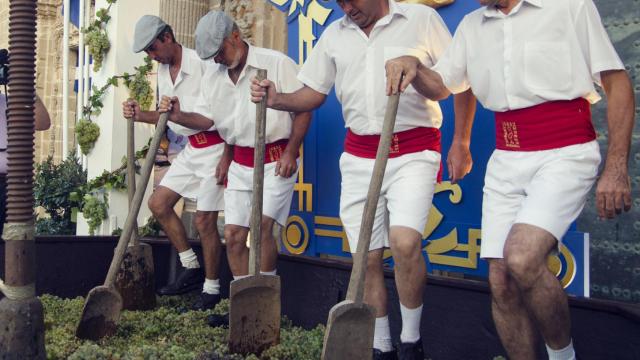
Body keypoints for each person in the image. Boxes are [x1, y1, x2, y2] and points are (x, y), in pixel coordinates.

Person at [384, 0, 635, 359]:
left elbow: (618, 83)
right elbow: (442, 85)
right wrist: (414, 65)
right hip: (506, 159)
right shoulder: (472, 25)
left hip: (566, 153)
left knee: (520, 257)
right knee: (501, 281)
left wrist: (616, 167)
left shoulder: (569, 6)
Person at [250, 0, 475, 358]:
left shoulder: (419, 19)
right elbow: (314, 92)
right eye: (338, 2)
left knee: (404, 242)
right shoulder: (335, 34)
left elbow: (455, 85)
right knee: (365, 257)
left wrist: (461, 141)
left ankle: (412, 342)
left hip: (414, 149)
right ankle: (382, 345)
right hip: (358, 155)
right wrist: (279, 99)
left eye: (351, 0)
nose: (346, 8)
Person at [159, 10, 311, 285]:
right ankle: (243, 298)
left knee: (263, 228)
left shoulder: (276, 63)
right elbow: (211, 121)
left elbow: (304, 108)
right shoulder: (214, 76)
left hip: (276, 159)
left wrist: (291, 151)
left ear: (236, 37)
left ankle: (264, 295)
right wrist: (180, 117)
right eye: (211, 56)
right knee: (233, 235)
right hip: (240, 163)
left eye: (219, 52)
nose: (216, 59)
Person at [123, 15, 230, 310]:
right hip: (192, 151)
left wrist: (177, 116)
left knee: (204, 221)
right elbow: (165, 116)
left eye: (153, 48)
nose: (152, 56)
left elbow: (210, 119)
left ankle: (212, 289)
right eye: (147, 52)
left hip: (217, 147)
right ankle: (191, 267)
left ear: (168, 37)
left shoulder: (205, 65)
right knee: (158, 204)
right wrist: (139, 113)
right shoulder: (162, 71)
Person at [0, 93, 51, 233]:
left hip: (10, 182)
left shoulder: (11, 101)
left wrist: (31, 94)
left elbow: (43, 122)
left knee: (11, 236)